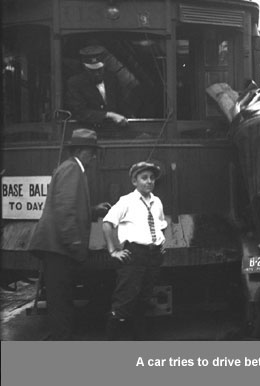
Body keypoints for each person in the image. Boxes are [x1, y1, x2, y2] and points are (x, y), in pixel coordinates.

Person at [27, 128, 112, 340]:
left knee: (61, 300)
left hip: (55, 247)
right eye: (92, 152)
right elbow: (65, 211)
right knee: (61, 303)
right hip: (59, 249)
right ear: (82, 151)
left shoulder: (71, 168)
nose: (94, 157)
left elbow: (69, 206)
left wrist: (93, 210)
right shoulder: (73, 170)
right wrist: (75, 246)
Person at [102, 161, 167, 340]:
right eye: (144, 178)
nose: (149, 181)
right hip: (134, 255)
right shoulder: (126, 201)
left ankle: (139, 341)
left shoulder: (157, 202)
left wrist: (161, 243)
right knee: (125, 300)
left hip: (153, 256)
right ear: (134, 181)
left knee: (144, 300)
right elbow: (107, 224)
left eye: (152, 178)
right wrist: (113, 250)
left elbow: (161, 224)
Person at [65, 45, 128, 125]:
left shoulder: (112, 79)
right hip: (88, 131)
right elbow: (79, 112)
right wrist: (109, 115)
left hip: (115, 131)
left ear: (104, 65)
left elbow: (122, 105)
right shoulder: (75, 83)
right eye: (92, 71)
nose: (97, 74)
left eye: (99, 70)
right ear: (84, 67)